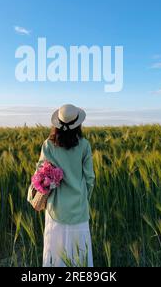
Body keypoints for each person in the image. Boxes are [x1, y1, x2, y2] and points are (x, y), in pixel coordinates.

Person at [28, 104, 95, 267]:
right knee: (79, 255)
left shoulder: (48, 145)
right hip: (78, 209)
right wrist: (83, 199)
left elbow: (39, 174)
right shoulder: (84, 145)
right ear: (78, 124)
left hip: (55, 209)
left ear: (56, 124)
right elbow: (90, 178)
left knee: (55, 255)